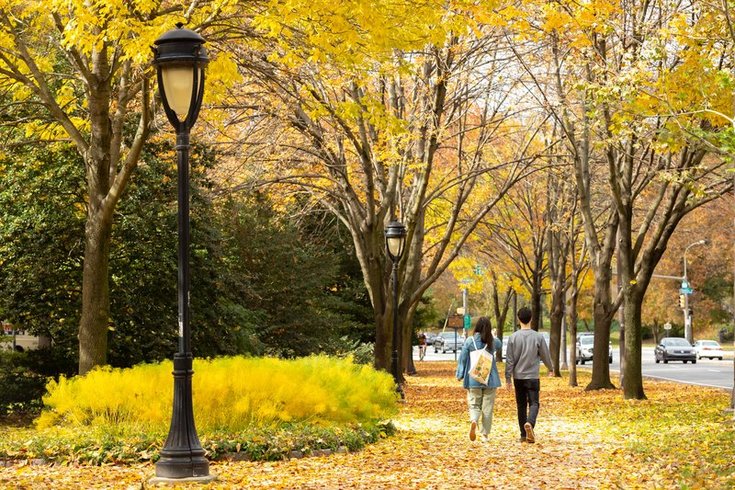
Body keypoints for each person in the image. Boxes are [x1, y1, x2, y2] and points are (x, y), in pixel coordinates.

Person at [505, 306, 553, 443]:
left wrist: (508, 377)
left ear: (518, 319)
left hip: (518, 377)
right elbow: (545, 354)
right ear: (531, 318)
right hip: (532, 376)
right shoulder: (538, 337)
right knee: (534, 403)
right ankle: (530, 423)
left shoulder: (513, 338)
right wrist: (550, 368)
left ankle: (523, 434)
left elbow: (510, 360)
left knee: (521, 405)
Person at [456, 316, 502, 442]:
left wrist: (459, 374)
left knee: (474, 404)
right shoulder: (492, 342)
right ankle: (485, 434)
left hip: (474, 379)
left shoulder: (470, 341)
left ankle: (474, 420)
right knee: (488, 407)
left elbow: (463, 359)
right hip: (490, 379)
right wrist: (492, 335)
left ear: (476, 327)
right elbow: (499, 344)